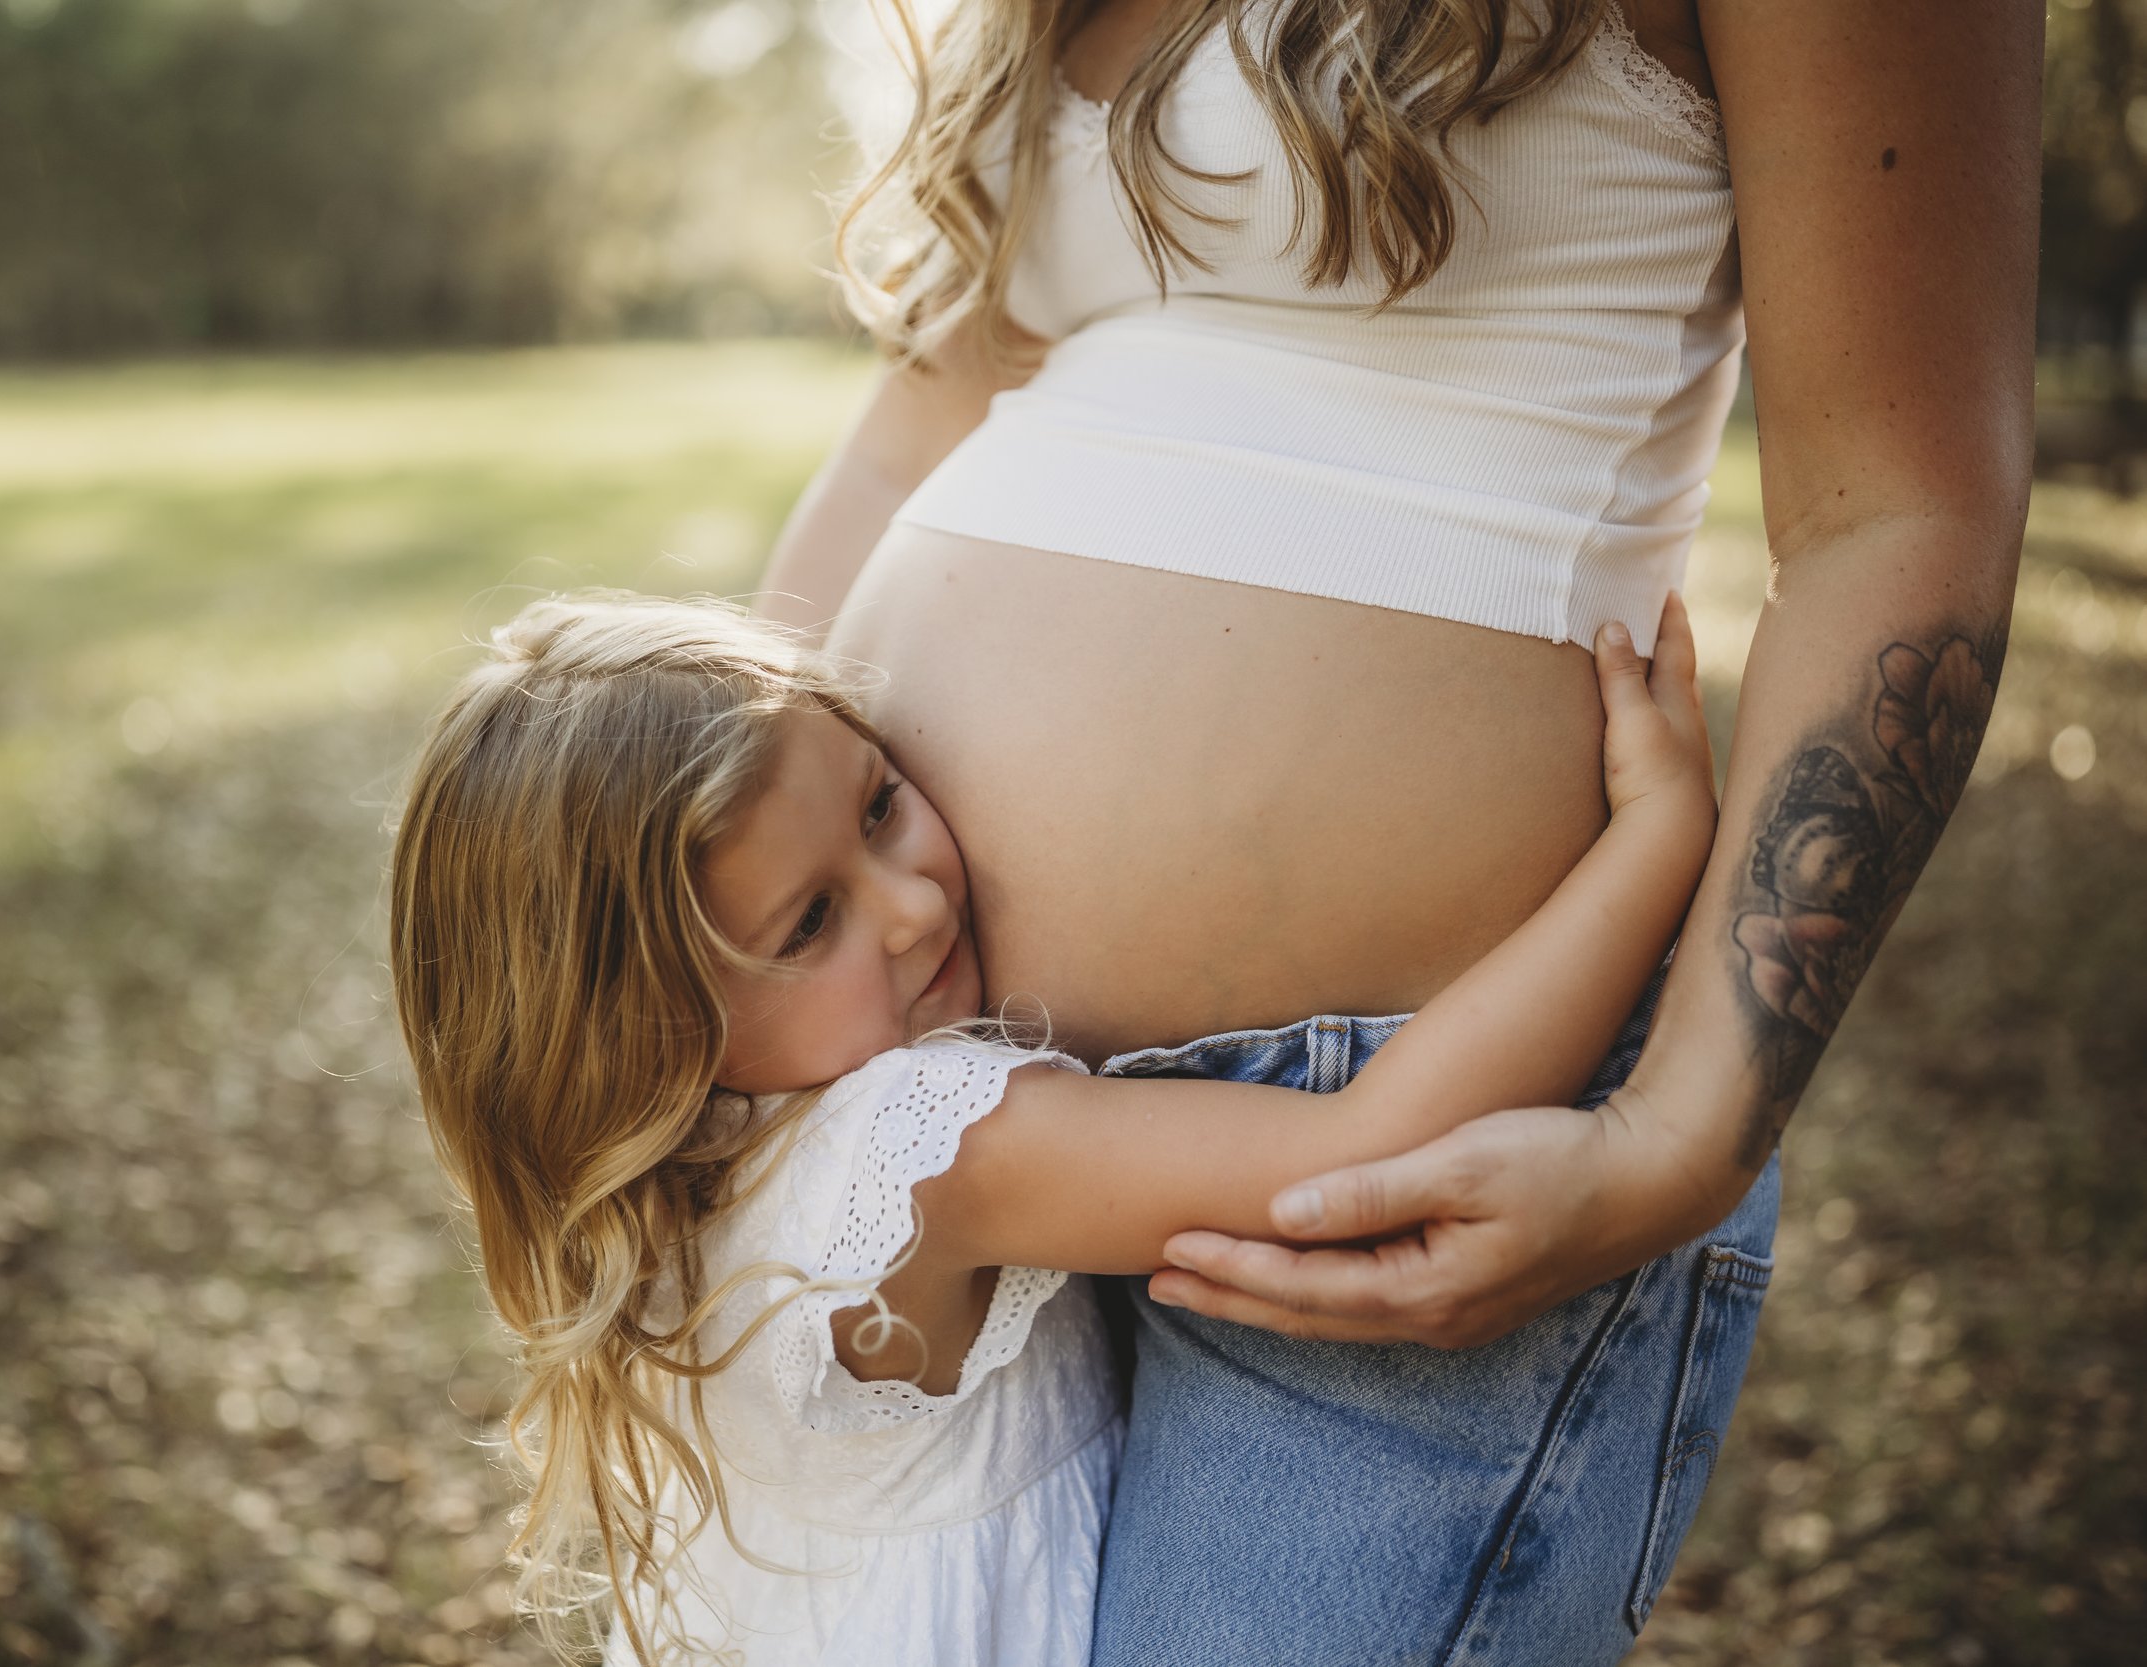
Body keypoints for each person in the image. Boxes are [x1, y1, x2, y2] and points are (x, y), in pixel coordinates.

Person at [757, 0, 2035, 1658]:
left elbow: (1906, 504)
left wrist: (1677, 1139)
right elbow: (913, 427)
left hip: (1420, 1122)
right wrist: (657, 892)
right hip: (913, 1090)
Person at [386, 590, 1718, 1664]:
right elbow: (1359, 1150)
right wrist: (1658, 838)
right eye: (811, 923)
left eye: (879, 803)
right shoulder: (917, 1149)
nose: (909, 905)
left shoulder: (671, 1191)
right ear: (653, 1039)